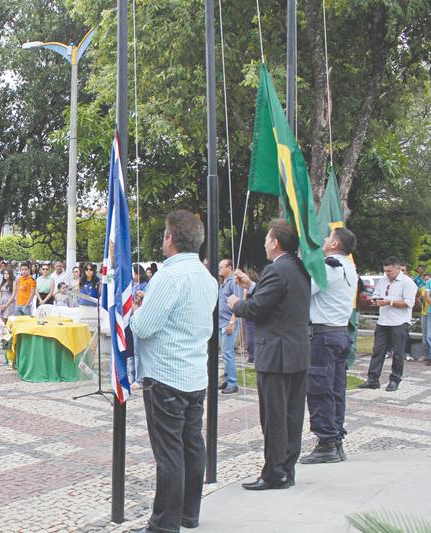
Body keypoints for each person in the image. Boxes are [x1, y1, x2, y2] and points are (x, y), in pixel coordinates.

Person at [129, 210, 217, 533]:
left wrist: (137, 311)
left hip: (167, 377)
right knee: (192, 444)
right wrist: (148, 301)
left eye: (165, 235)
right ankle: (188, 514)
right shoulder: (207, 278)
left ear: (170, 238)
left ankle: (164, 523)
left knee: (169, 454)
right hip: (194, 375)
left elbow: (144, 326)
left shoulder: (168, 276)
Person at [228, 219, 311, 491]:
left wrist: (237, 304)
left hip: (276, 354)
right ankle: (286, 469)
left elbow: (257, 309)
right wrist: (252, 285)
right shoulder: (297, 267)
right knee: (292, 415)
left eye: (266, 239)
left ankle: (274, 473)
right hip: (295, 352)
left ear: (275, 242)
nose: (264, 243)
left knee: (274, 417)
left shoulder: (277, 269)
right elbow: (277, 299)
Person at [299, 227, 358, 464]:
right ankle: (335, 439)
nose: (324, 239)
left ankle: (326, 442)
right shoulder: (348, 267)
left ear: (335, 244)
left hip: (324, 335)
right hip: (339, 333)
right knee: (335, 390)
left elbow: (306, 291)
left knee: (319, 389)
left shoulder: (330, 266)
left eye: (328, 237)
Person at [359, 256, 417, 391]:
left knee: (398, 353)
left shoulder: (408, 282)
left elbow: (409, 303)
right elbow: (376, 294)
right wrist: (375, 300)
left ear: (398, 268)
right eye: (385, 271)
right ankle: (373, 379)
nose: (387, 274)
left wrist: (389, 302)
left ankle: (395, 380)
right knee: (378, 351)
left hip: (399, 322)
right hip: (383, 321)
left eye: (389, 271)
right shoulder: (383, 280)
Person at [217, 258, 244, 394]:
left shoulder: (234, 282)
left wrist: (232, 322)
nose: (220, 269)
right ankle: (227, 379)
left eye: (222, 267)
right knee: (224, 353)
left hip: (229, 322)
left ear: (229, 267)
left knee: (228, 353)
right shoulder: (224, 283)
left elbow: (238, 303)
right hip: (222, 322)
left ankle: (233, 382)